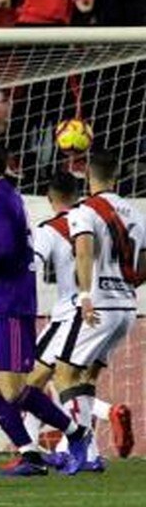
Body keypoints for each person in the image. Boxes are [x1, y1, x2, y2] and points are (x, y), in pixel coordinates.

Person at [0, 137, 93, 477]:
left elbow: (5, 247)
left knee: (13, 388)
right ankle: (31, 453)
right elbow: (14, 250)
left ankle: (78, 433)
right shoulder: (4, 196)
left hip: (10, 304)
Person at [24, 172, 134, 469]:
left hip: (70, 313)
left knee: (32, 383)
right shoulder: (94, 218)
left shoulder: (49, 228)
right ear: (78, 193)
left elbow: (32, 265)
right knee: (81, 380)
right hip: (108, 308)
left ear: (49, 199)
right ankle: (87, 453)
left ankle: (33, 452)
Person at [62, 154, 145, 463]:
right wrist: (124, 287)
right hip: (126, 308)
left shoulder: (84, 210)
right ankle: (86, 454)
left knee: (62, 376)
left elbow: (83, 253)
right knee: (86, 378)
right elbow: (143, 266)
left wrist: (85, 295)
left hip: (97, 306)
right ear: (116, 177)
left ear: (88, 178)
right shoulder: (137, 213)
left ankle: (109, 414)